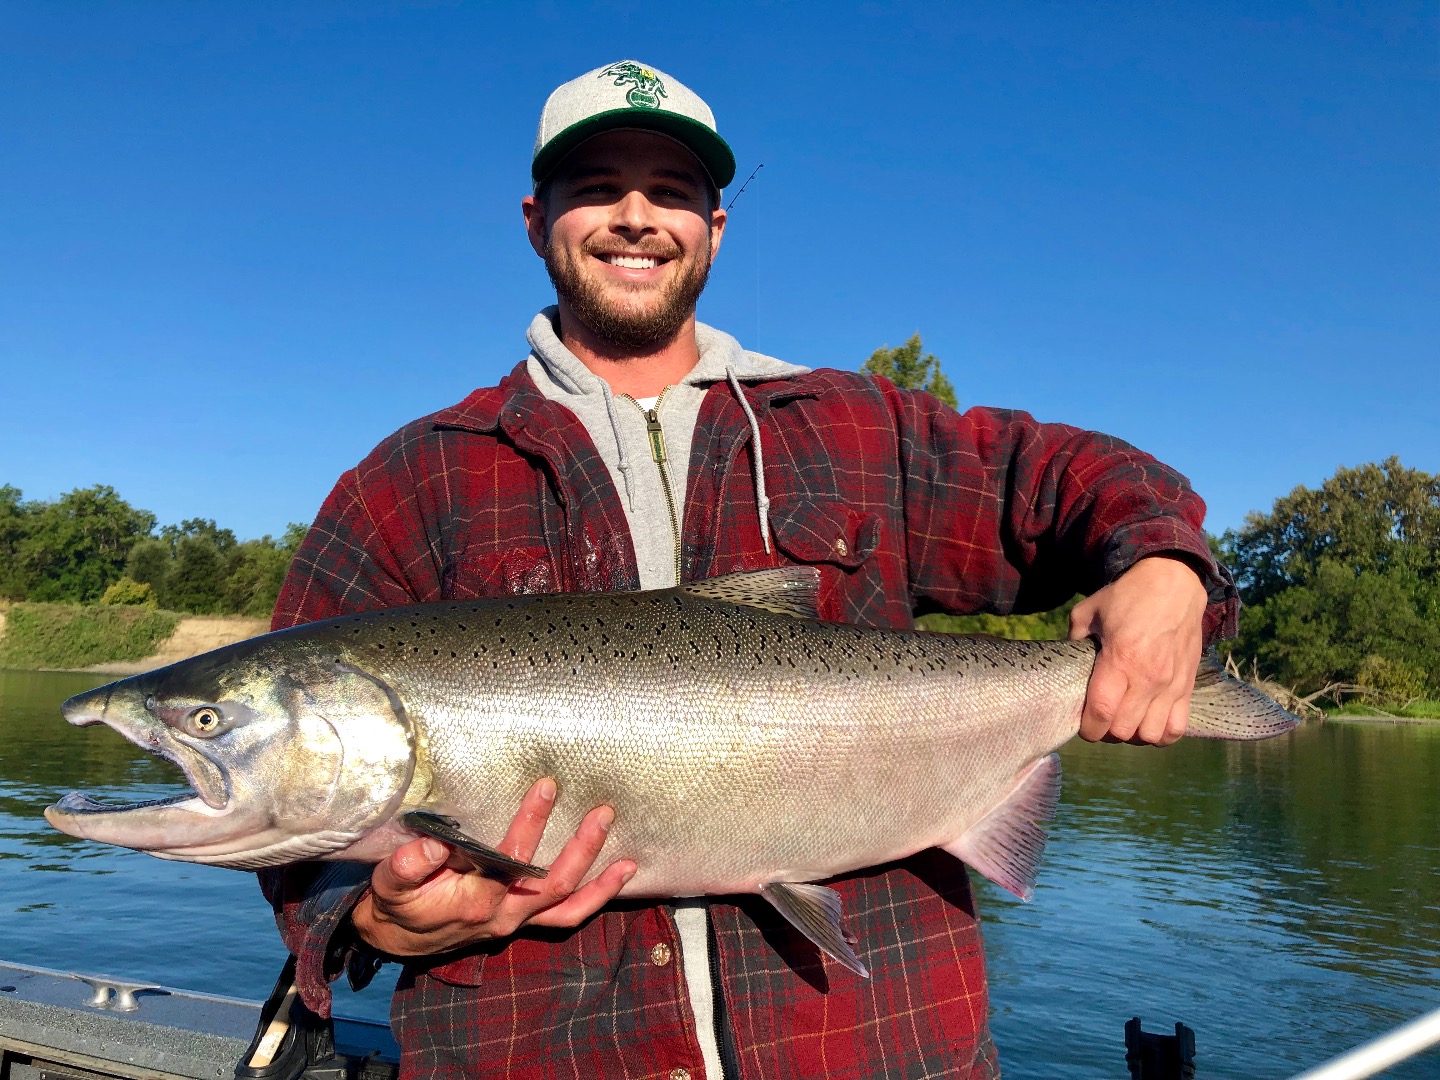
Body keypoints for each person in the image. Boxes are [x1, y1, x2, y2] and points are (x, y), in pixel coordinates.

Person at [263, 60, 1237, 1079]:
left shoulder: (866, 428)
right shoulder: (410, 480)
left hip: (881, 1049)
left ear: (715, 229)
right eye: (596, 185)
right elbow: (296, 839)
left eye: (671, 193)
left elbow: (1086, 478)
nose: (635, 216)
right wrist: (368, 916)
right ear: (534, 216)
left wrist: (1165, 563)